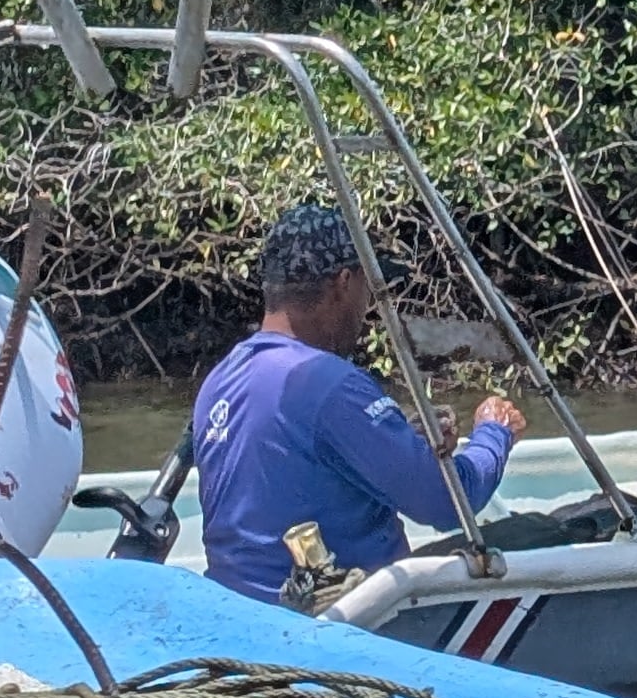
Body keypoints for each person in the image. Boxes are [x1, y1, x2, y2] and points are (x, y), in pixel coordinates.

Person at [192, 202, 526, 605]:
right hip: (343, 621)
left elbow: (296, 469)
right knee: (546, 532)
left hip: (244, 612)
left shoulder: (219, 380)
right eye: (368, 285)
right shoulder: (330, 385)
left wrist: (401, 439)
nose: (368, 305)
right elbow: (447, 502)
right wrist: (494, 432)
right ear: (344, 282)